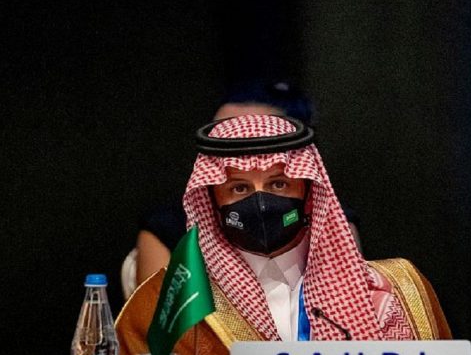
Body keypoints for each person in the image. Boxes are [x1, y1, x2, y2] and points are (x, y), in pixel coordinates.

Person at [117, 114, 450, 355]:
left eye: (278, 183)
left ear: (307, 193)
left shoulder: (397, 290)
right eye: (239, 189)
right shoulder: (165, 302)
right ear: (212, 202)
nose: (261, 202)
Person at [133, 80, 361, 288]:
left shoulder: (332, 222)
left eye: (278, 184)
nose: (235, 149)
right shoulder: (168, 227)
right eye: (223, 135)